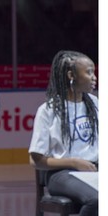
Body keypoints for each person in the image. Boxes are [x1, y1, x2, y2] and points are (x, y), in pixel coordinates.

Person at [28, 50, 98, 216]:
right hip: (61, 175)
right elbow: (35, 160)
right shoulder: (48, 110)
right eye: (88, 72)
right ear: (71, 75)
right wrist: (74, 162)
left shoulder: (96, 105)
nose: (94, 77)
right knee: (98, 200)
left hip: (95, 169)